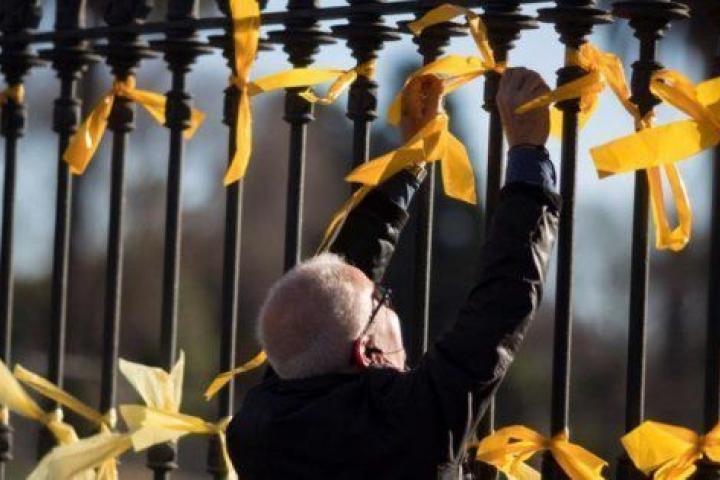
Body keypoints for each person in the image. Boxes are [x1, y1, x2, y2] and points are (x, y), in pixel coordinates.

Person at [227, 67, 560, 479]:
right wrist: (528, 154)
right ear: (367, 352)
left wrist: (411, 160)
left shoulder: (255, 430)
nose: (387, 300)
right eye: (382, 300)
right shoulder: (406, 425)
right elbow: (500, 304)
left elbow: (332, 299)